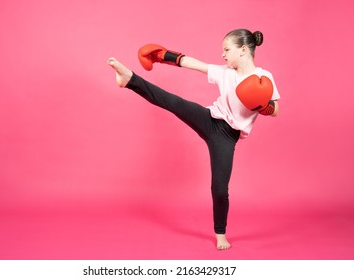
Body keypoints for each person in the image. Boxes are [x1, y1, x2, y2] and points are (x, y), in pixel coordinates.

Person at [107, 29, 280, 250]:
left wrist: (263, 105)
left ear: (244, 49)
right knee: (173, 102)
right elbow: (194, 64)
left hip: (227, 137)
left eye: (227, 49)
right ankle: (129, 78)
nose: (223, 55)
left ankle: (220, 234)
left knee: (219, 188)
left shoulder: (265, 78)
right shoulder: (225, 72)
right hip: (210, 119)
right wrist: (162, 55)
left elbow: (276, 110)